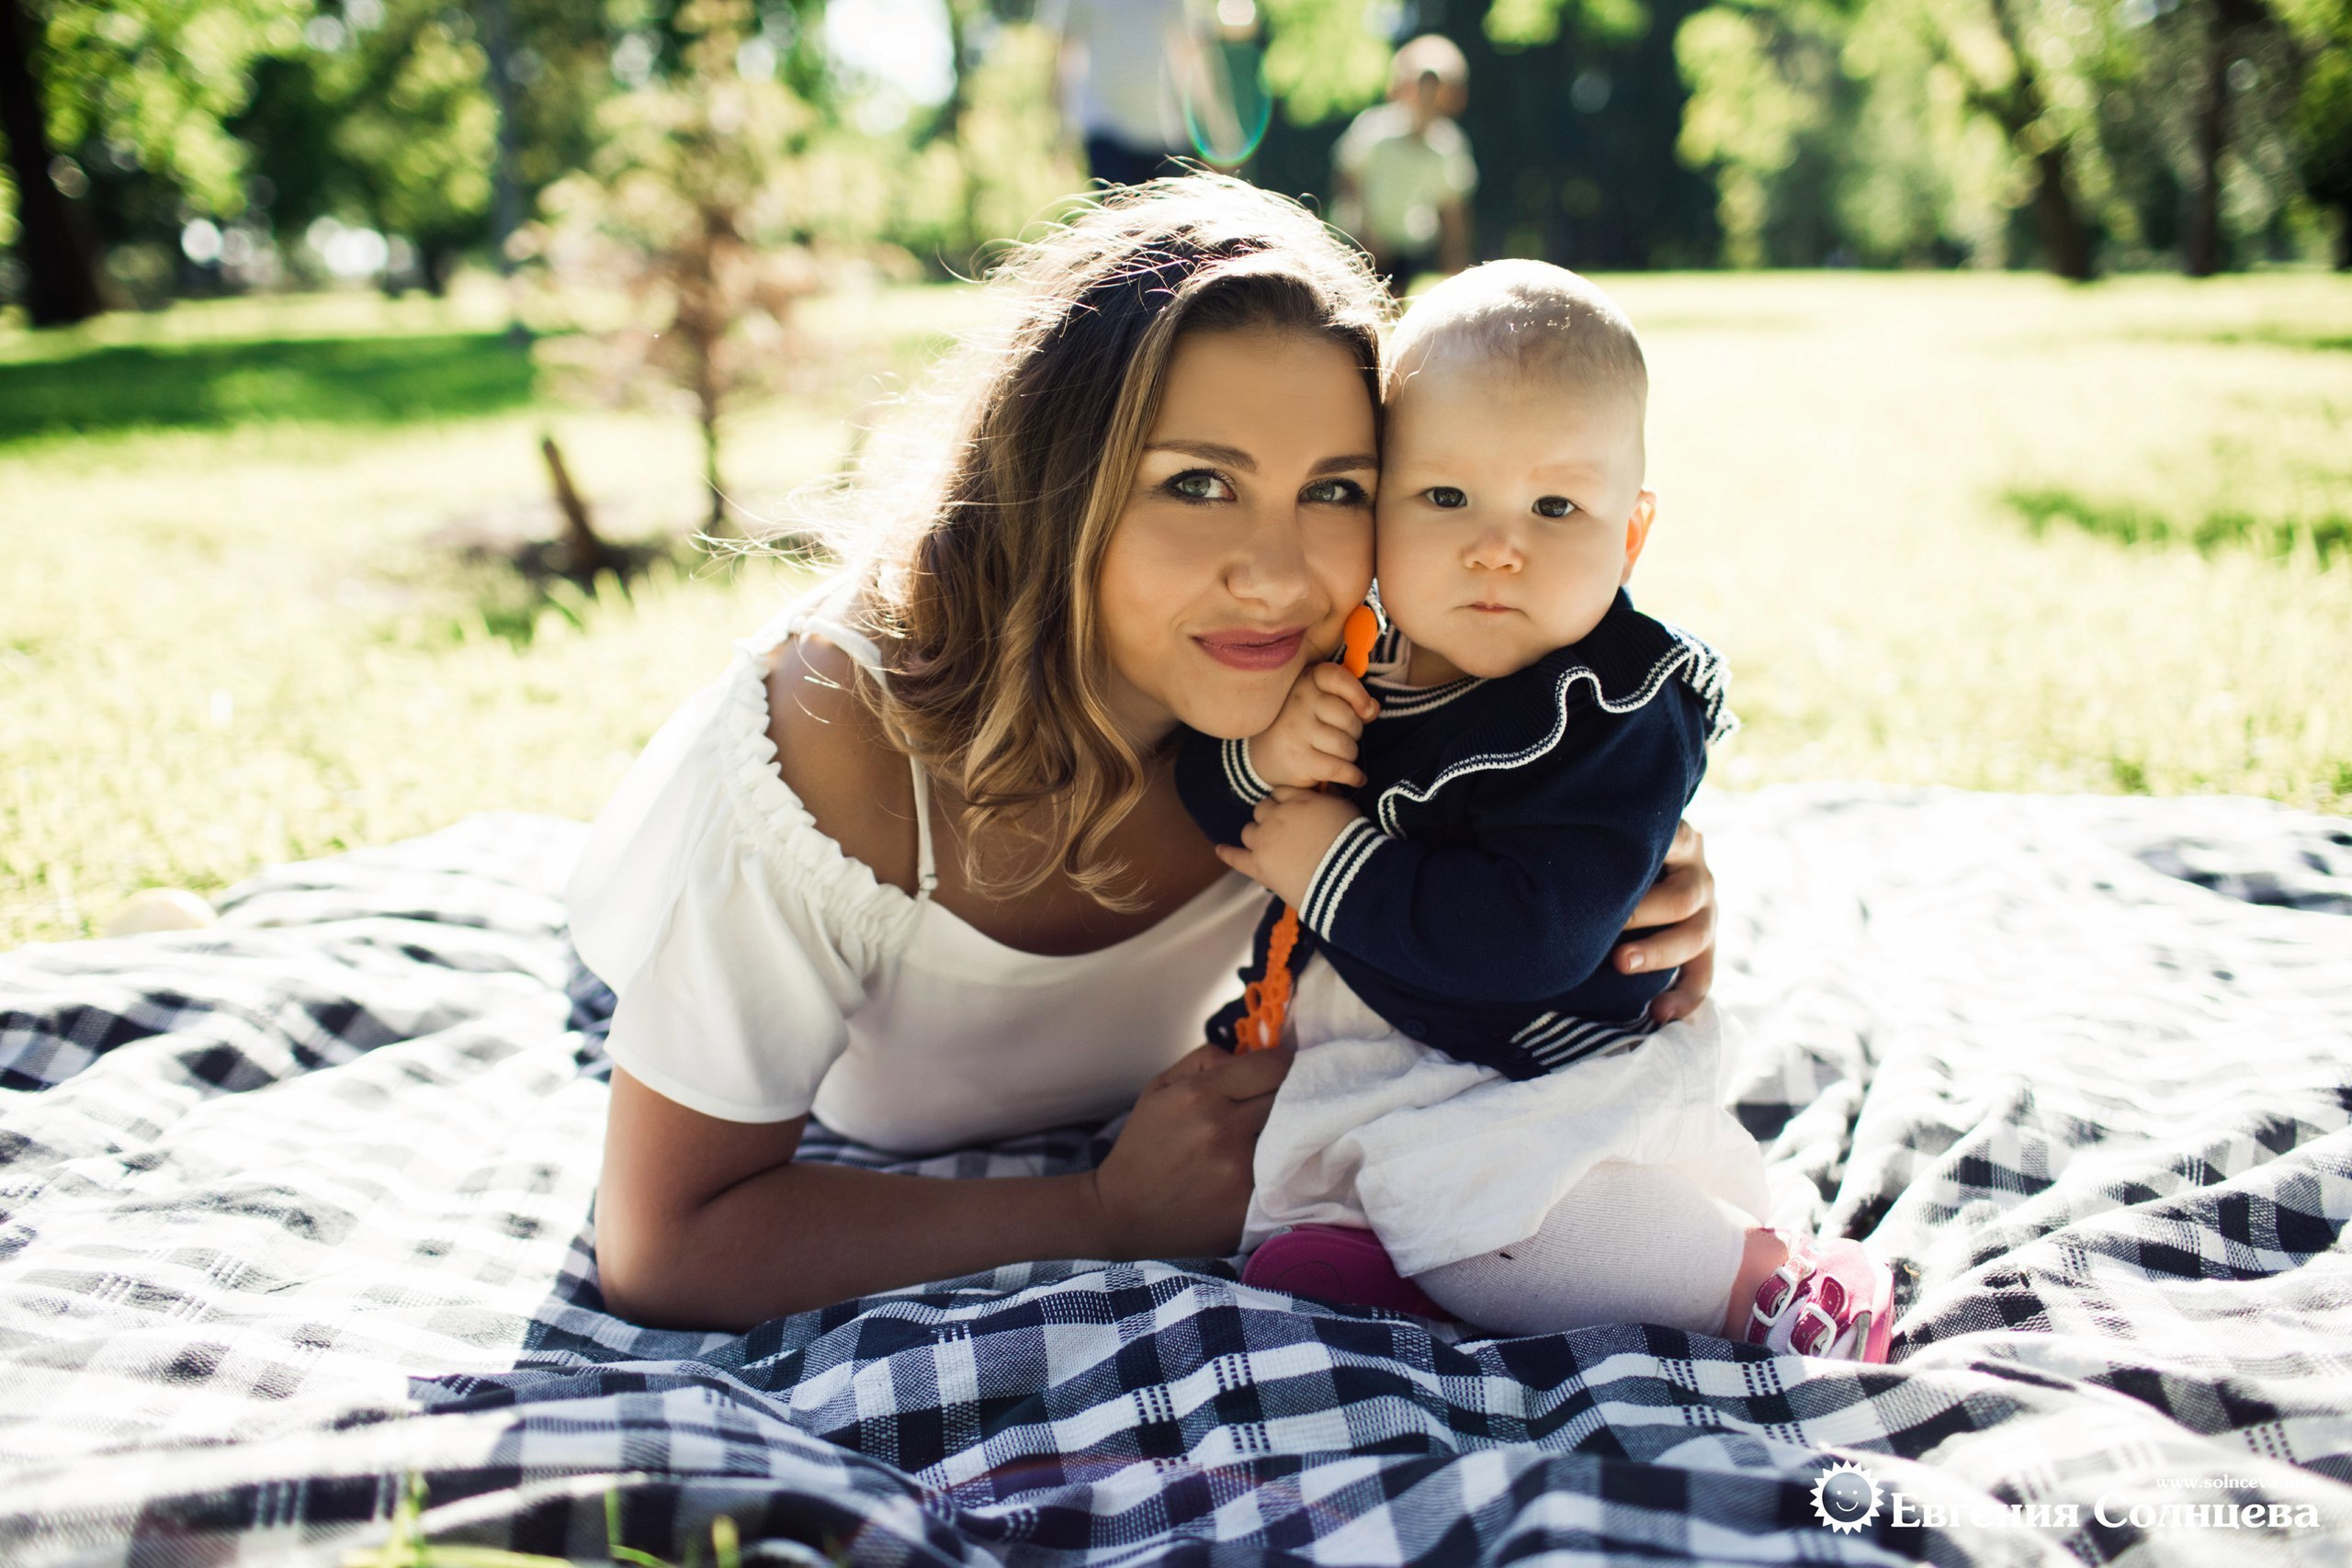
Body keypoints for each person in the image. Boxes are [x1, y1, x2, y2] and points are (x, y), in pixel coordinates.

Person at [571, 177, 1724, 1335]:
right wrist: (1103, 1212)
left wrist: (1638, 884)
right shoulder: (841, 744)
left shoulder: (1351, 690)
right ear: (1054, 486)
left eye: (1335, 489)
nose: (1275, 573)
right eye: (1197, 484)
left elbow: (1545, 773)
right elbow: (665, 1247)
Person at [1177, 261, 1894, 1360]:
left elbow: (1527, 941)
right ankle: (1401, 1264)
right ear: (1380, 508)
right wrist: (1261, 754)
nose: (1496, 545)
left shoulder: (1612, 711)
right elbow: (1219, 804)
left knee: (1496, 1222)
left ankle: (1757, 1282)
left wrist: (1332, 865)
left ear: (1631, 536)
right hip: (1399, 1052)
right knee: (1310, 1185)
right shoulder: (1354, 662)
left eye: (1555, 506)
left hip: (1547, 1072)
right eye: (1445, 497)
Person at [1330, 34, 1477, 287]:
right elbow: (1350, 179)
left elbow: (1453, 208)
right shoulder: (1375, 131)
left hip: (1407, 248)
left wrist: (1455, 262)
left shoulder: (1448, 145)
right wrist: (1367, 232)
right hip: (1358, 242)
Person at [1041, 0, 1199, 186]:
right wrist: (1061, 131)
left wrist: (1209, 130)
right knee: (1117, 212)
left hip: (1162, 135)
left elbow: (1187, 59)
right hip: (1105, 131)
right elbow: (1066, 56)